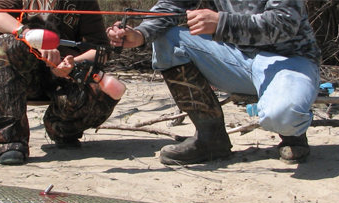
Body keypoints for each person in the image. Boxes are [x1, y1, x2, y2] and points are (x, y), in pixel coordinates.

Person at [107, 0, 321, 165]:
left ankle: (294, 134)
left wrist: (221, 23)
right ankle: (210, 138)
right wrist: (141, 34)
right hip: (236, 59)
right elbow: (171, 5)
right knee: (167, 38)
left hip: (289, 61)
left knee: (281, 116)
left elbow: (283, 24)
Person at [0, 0, 124, 165]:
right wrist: (31, 36)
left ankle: (63, 129)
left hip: (65, 76)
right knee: (1, 46)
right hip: (22, 72)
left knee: (104, 89)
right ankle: (8, 140)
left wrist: (72, 63)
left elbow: (100, 50)